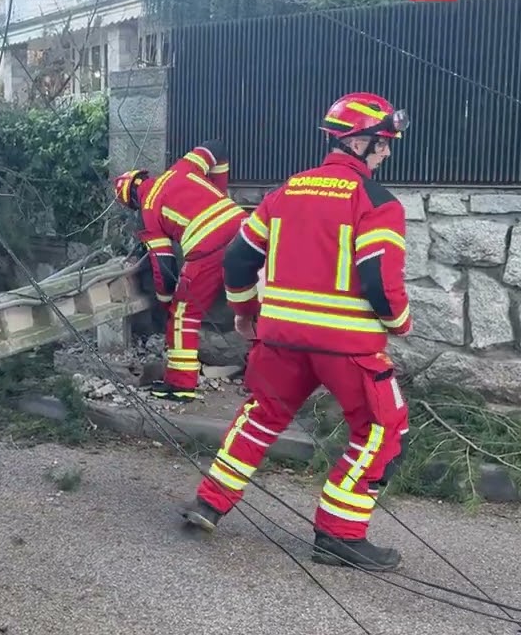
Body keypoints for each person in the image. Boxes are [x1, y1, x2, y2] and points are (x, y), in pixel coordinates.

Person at [182, 92, 413, 572]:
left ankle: (208, 504)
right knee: (382, 429)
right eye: (383, 143)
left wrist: (245, 311)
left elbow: (239, 258)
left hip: (280, 339)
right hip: (347, 348)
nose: (387, 152)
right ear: (360, 142)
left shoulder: (283, 193)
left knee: (262, 416)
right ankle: (339, 535)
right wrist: (400, 322)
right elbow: (379, 281)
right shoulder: (377, 203)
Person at [112, 139, 245, 401]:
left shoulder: (148, 211)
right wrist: (221, 194)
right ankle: (264, 379)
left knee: (184, 314)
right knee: (256, 307)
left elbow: (163, 264)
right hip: (247, 230)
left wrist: (166, 301)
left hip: (209, 251)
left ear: (132, 201)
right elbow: (218, 148)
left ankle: (181, 385)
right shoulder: (182, 167)